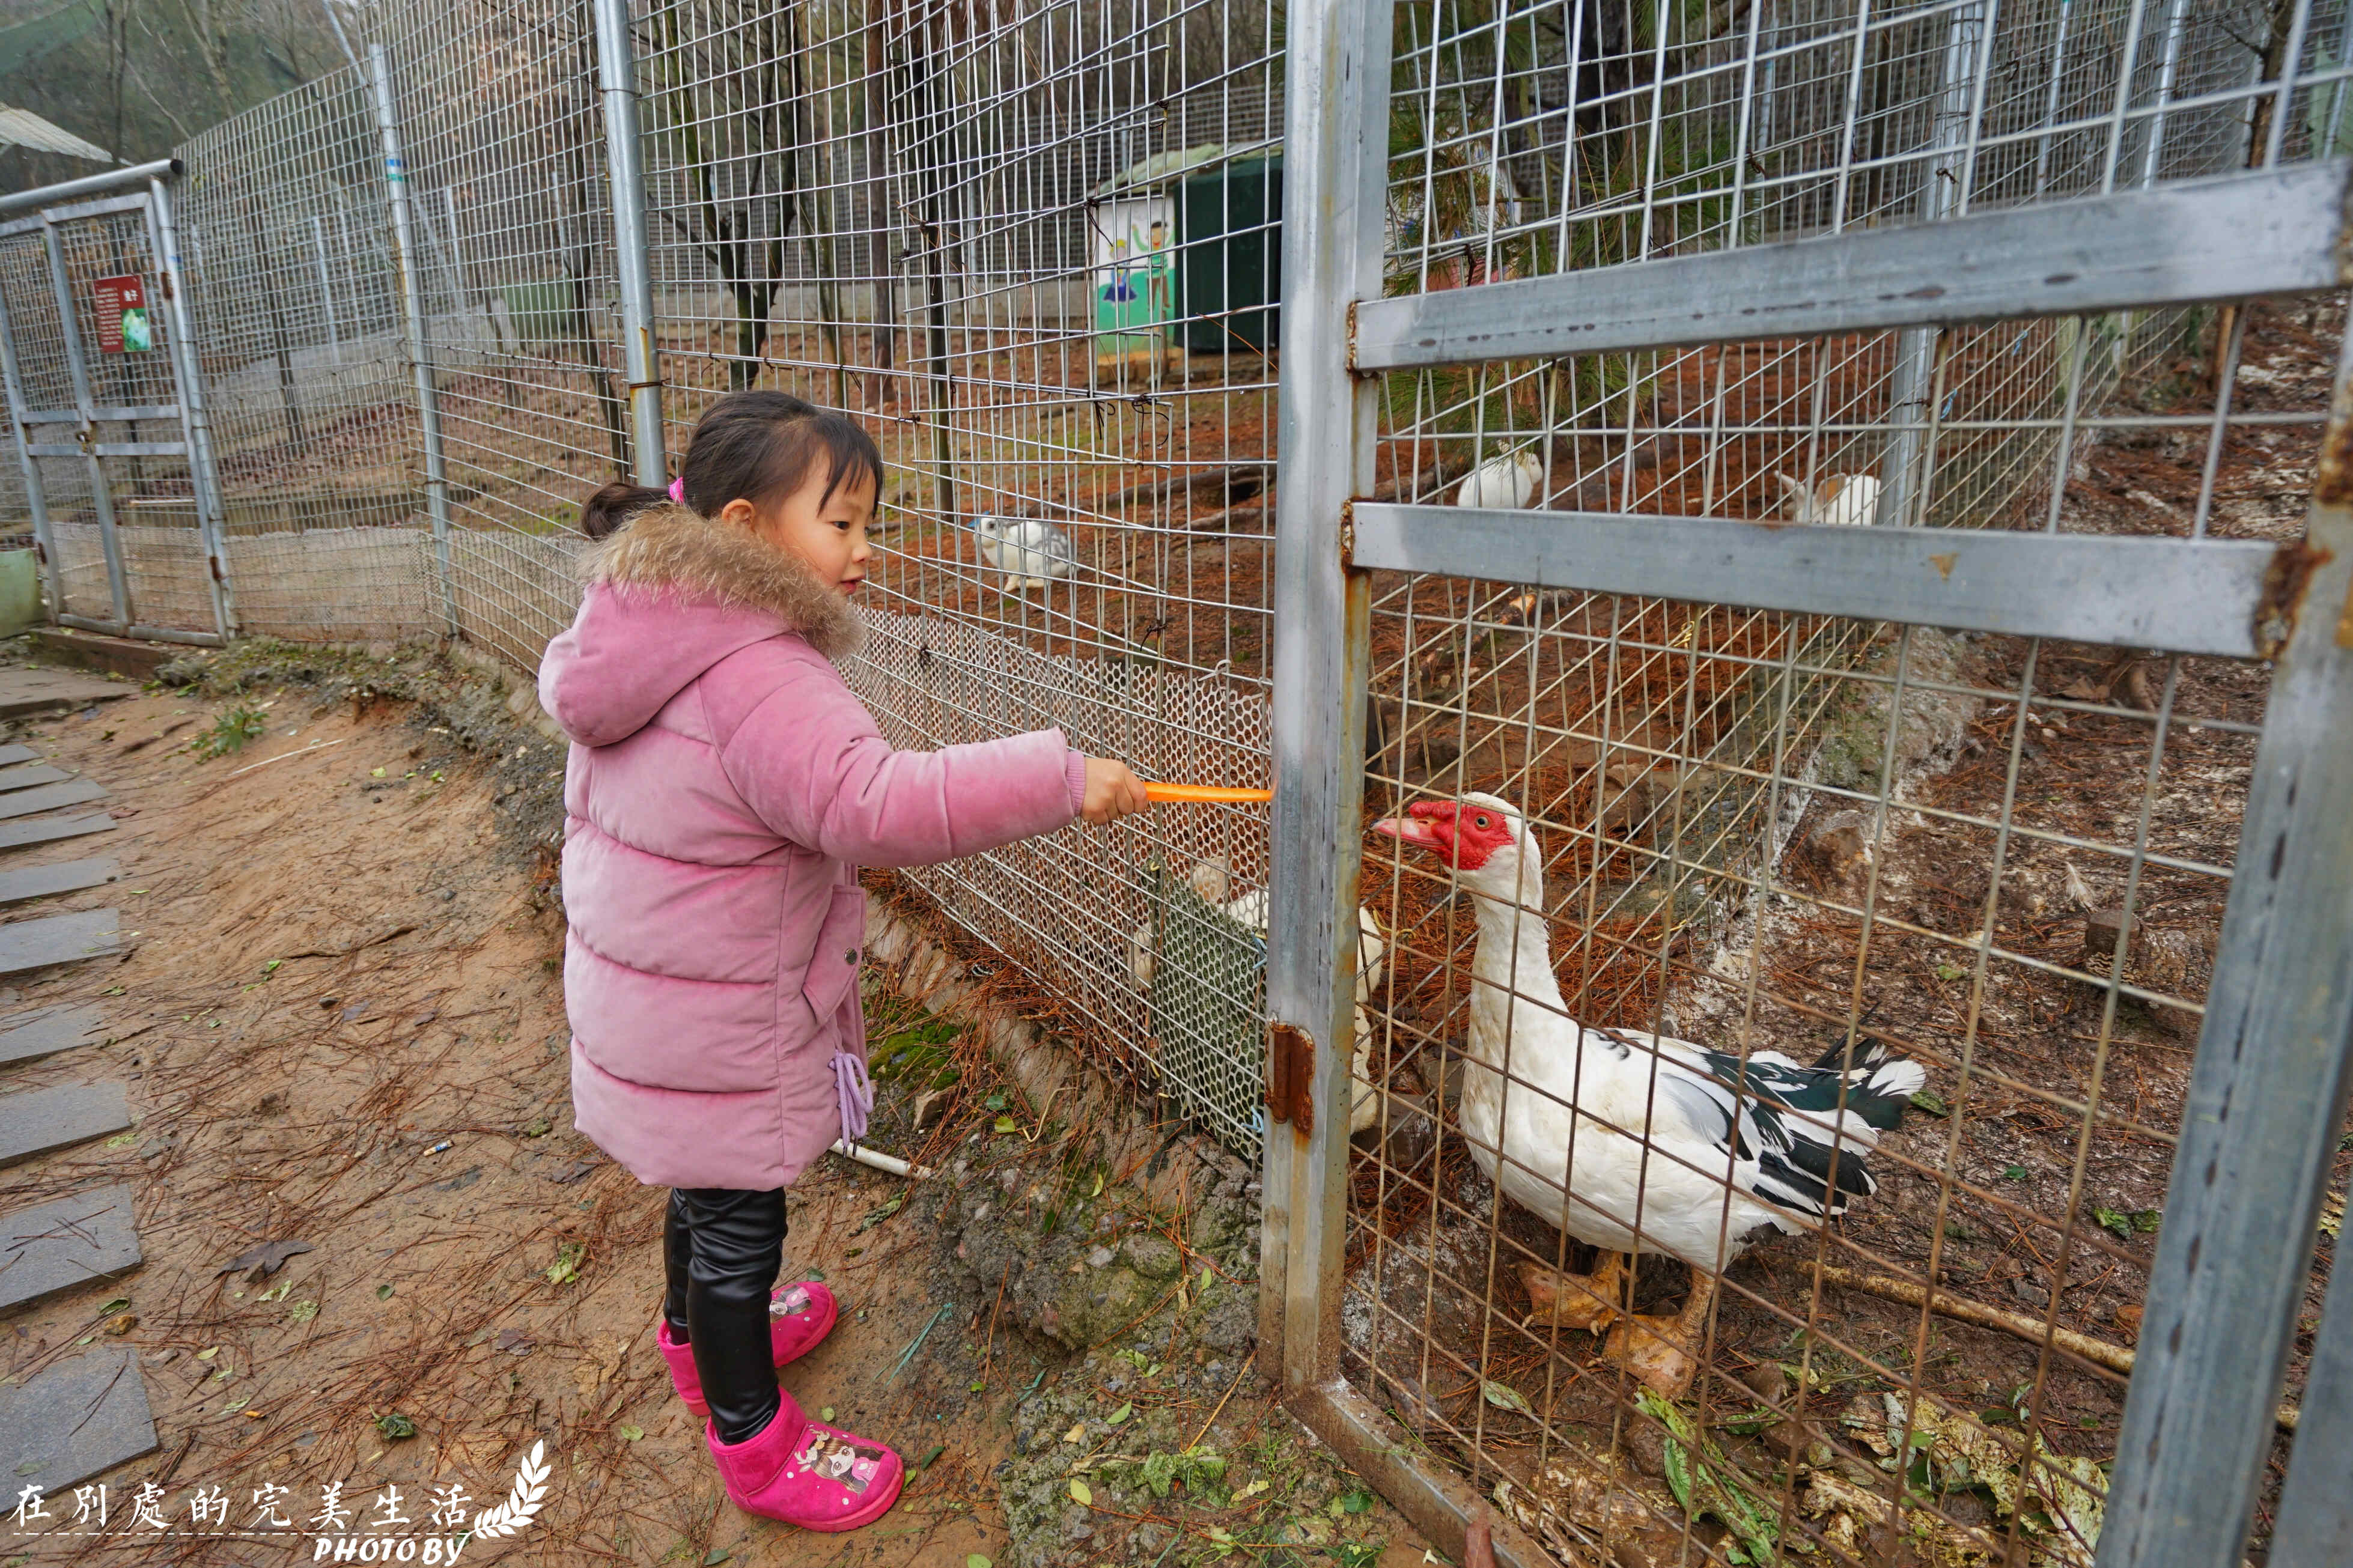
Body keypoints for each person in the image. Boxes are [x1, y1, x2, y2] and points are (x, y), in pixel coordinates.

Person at [538, 390, 1150, 1533]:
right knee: (738, 1223)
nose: (867, 551)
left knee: (707, 1194)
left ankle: (701, 1340)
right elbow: (877, 803)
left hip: (661, 999)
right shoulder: (755, 671)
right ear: (748, 527)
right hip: (719, 1015)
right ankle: (753, 1442)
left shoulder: (647, 621)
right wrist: (1061, 777)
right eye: (844, 523)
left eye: (870, 522)